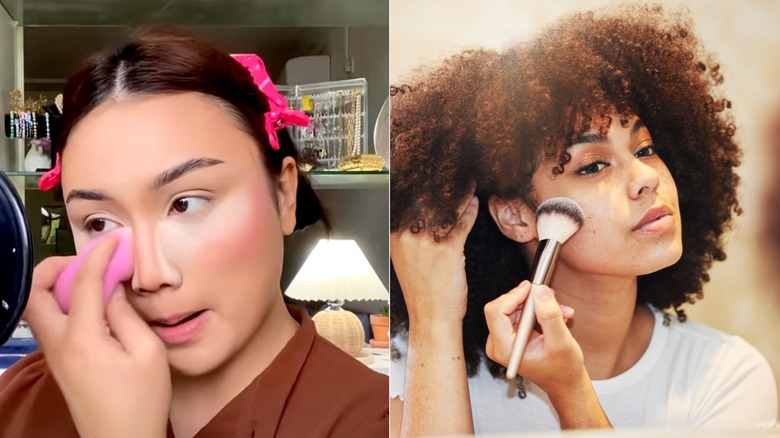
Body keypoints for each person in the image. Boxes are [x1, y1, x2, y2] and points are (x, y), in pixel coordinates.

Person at [389, 5, 777, 436]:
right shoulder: (419, 361)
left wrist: (571, 391)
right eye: (592, 166)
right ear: (516, 216)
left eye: (645, 149)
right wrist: (434, 324)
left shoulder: (725, 375)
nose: (647, 177)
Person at [0, 29, 388, 438]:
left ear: (284, 195)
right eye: (99, 223)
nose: (149, 276)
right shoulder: (22, 399)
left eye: (185, 204)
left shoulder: (382, 422)